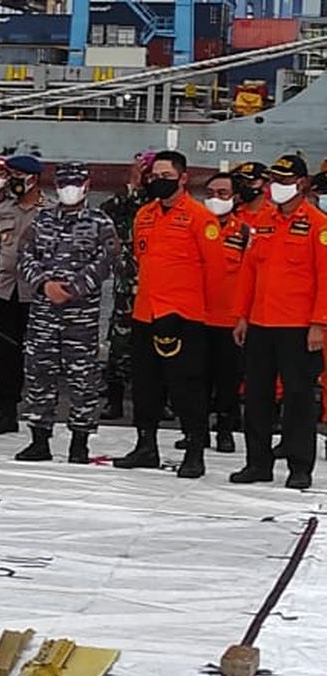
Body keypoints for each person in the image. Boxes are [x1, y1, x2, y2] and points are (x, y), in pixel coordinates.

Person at [113, 150, 220, 479]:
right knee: (145, 385)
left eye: (165, 176)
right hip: (146, 313)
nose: (158, 181)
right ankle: (146, 445)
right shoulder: (144, 215)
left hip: (183, 317)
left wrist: (198, 315)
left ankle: (194, 450)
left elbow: (215, 273)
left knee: (187, 386)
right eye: (154, 176)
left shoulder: (201, 218)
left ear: (183, 178)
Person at [230, 154, 327, 490]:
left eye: (284, 182)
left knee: (299, 398)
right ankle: (258, 462)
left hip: (298, 325)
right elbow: (248, 271)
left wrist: (319, 323)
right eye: (274, 181)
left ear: (300, 184)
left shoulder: (317, 224)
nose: (276, 188)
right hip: (260, 322)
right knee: (256, 395)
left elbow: (325, 277)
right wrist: (241, 315)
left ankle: (300, 466)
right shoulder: (264, 223)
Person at [15, 162, 119, 463]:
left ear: (87, 185)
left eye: (74, 182)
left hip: (81, 315)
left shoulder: (101, 222)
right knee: (38, 374)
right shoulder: (41, 220)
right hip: (44, 312)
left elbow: (108, 261)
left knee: (83, 378)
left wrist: (74, 288)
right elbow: (24, 256)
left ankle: (80, 440)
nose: (68, 188)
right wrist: (44, 284)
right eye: (63, 183)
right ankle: (39, 439)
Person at [0, 154, 50, 434]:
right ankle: (3, 411)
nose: (11, 181)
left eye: (15, 176)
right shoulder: (3, 210)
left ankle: (38, 414)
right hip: (4, 290)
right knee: (3, 355)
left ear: (32, 179)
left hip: (36, 293)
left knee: (38, 356)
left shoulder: (51, 211)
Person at [99, 150, 153, 419]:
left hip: (157, 291)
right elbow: (104, 213)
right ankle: (114, 400)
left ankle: (158, 400)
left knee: (158, 348)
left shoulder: (162, 206)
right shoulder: (125, 205)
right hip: (127, 288)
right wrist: (131, 186)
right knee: (119, 346)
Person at [198, 172, 248, 453]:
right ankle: (198, 430)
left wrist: (244, 316)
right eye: (211, 193)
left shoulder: (243, 233)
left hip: (230, 319)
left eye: (223, 193)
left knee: (228, 379)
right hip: (197, 316)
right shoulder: (196, 226)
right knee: (196, 378)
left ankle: (225, 430)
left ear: (235, 197)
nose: (215, 199)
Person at [230, 161, 270, 226]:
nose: (245, 186)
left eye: (251, 183)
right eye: (242, 182)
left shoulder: (274, 214)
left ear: (266, 184)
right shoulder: (231, 211)